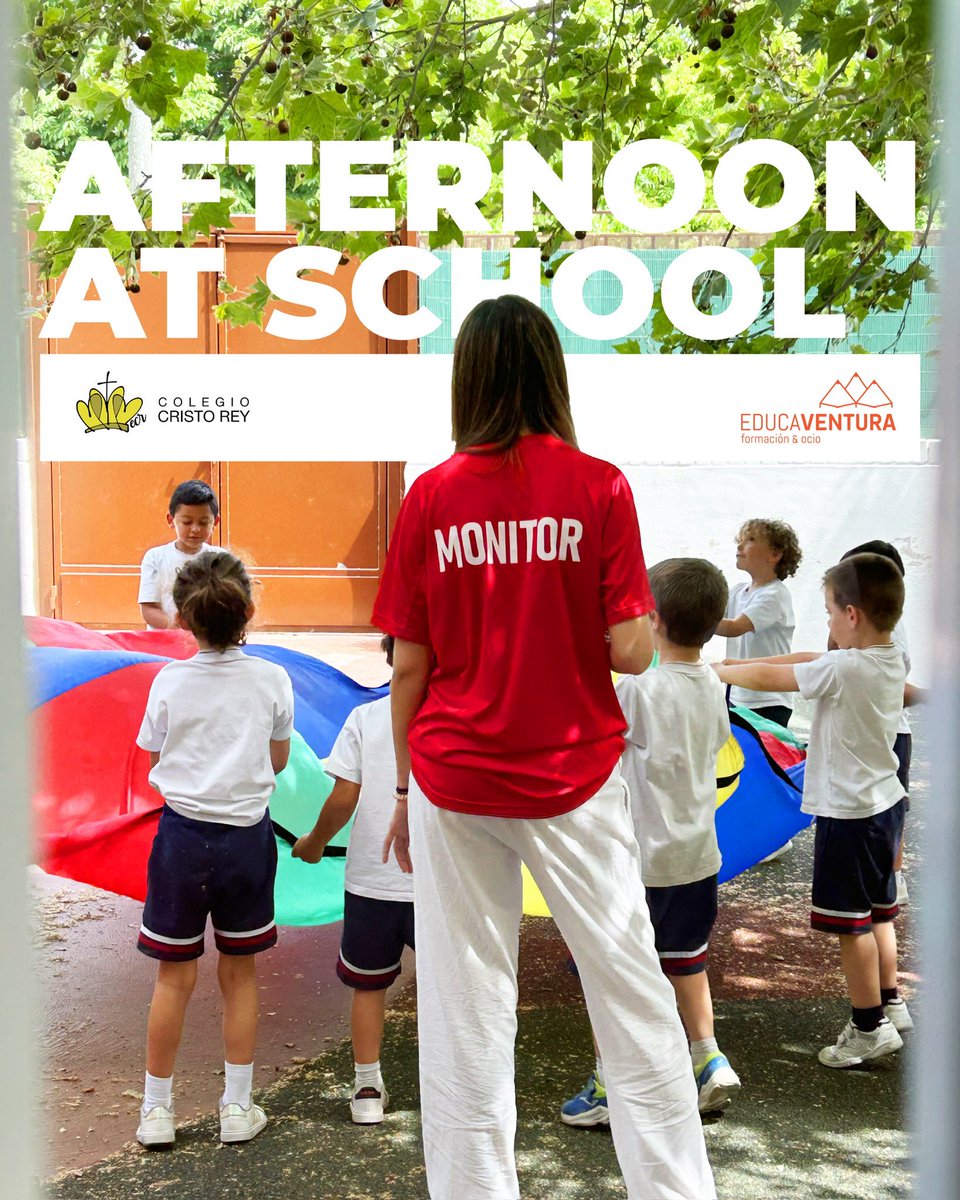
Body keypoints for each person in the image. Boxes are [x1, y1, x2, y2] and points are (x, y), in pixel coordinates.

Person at [372, 295, 715, 1200]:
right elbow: (634, 650)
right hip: (574, 774)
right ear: (551, 373)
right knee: (631, 991)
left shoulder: (430, 496)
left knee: (465, 1006)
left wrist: (402, 790)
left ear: (468, 377)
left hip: (452, 775)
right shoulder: (599, 486)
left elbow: (409, 666)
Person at [562, 558, 740, 1128]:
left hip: (638, 861)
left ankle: (609, 1084)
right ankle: (708, 1058)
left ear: (653, 620)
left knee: (609, 973)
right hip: (697, 858)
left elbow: (596, 745)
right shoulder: (712, 684)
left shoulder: (639, 691)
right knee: (687, 963)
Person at [716, 553, 909, 1067]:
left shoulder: (843, 668)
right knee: (878, 913)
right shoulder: (890, 657)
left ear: (852, 615)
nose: (826, 622)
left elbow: (777, 676)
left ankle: (868, 1026)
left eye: (829, 612)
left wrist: (718, 673)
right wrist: (729, 667)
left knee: (852, 926)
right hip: (884, 805)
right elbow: (806, 659)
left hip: (849, 816)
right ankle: (890, 1002)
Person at [134, 551, 294, 1146]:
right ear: (248, 611)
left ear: (181, 618)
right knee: (240, 975)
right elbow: (278, 759)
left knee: (173, 978)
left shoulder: (168, 681)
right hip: (247, 840)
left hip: (180, 839)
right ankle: (236, 1108)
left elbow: (157, 756)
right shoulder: (272, 679)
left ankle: (156, 1111)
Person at [292, 634, 414, 1126]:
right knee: (447, 986)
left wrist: (315, 842)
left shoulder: (366, 719)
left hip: (371, 882)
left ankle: (367, 1086)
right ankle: (453, 1083)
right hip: (441, 885)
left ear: (389, 658)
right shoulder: (456, 720)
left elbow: (344, 796)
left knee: (368, 986)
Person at [838, 540, 924, 912]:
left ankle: (893, 876)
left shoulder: (888, 631)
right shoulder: (850, 622)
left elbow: (894, 689)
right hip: (864, 731)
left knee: (889, 808)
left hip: (888, 733)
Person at [715, 518, 802, 730]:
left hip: (768, 700)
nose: (740, 546)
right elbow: (713, 616)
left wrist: (689, 619)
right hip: (738, 693)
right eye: (740, 540)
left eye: (750, 540)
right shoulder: (738, 590)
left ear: (775, 554)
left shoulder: (775, 594)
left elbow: (733, 627)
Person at [138, 479, 224, 629]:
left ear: (215, 522)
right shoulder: (155, 558)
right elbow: (148, 609)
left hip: (206, 639)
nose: (195, 529)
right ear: (171, 520)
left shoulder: (221, 559)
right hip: (165, 638)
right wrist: (178, 627)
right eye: (187, 522)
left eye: (203, 522)